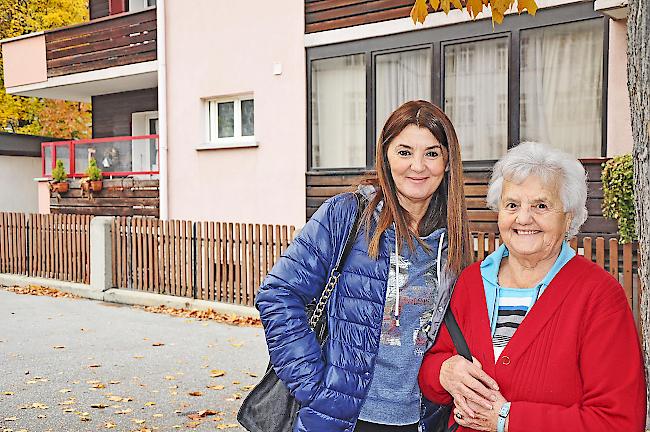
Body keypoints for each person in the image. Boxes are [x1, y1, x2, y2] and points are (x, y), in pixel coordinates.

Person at [255, 100, 473, 432]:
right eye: (404, 152)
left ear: (447, 161)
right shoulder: (347, 214)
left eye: (431, 153)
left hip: (420, 418)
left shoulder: (453, 238)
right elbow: (279, 293)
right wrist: (314, 387)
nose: (418, 166)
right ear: (386, 156)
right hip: (344, 417)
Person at [418, 142, 646, 431]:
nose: (524, 218)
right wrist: (444, 372)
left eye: (541, 206)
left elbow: (618, 422)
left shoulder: (599, 296)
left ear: (569, 217)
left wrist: (507, 419)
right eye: (512, 205)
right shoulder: (471, 281)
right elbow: (430, 366)